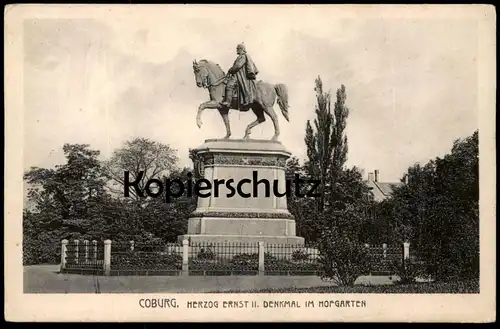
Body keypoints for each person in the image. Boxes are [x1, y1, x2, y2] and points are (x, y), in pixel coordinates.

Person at [221, 43, 259, 109]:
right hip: (237, 74)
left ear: (241, 49)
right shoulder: (240, 56)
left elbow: (238, 66)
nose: (236, 50)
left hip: (240, 75)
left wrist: (230, 70)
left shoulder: (243, 56)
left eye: (237, 49)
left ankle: (228, 102)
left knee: (229, 85)